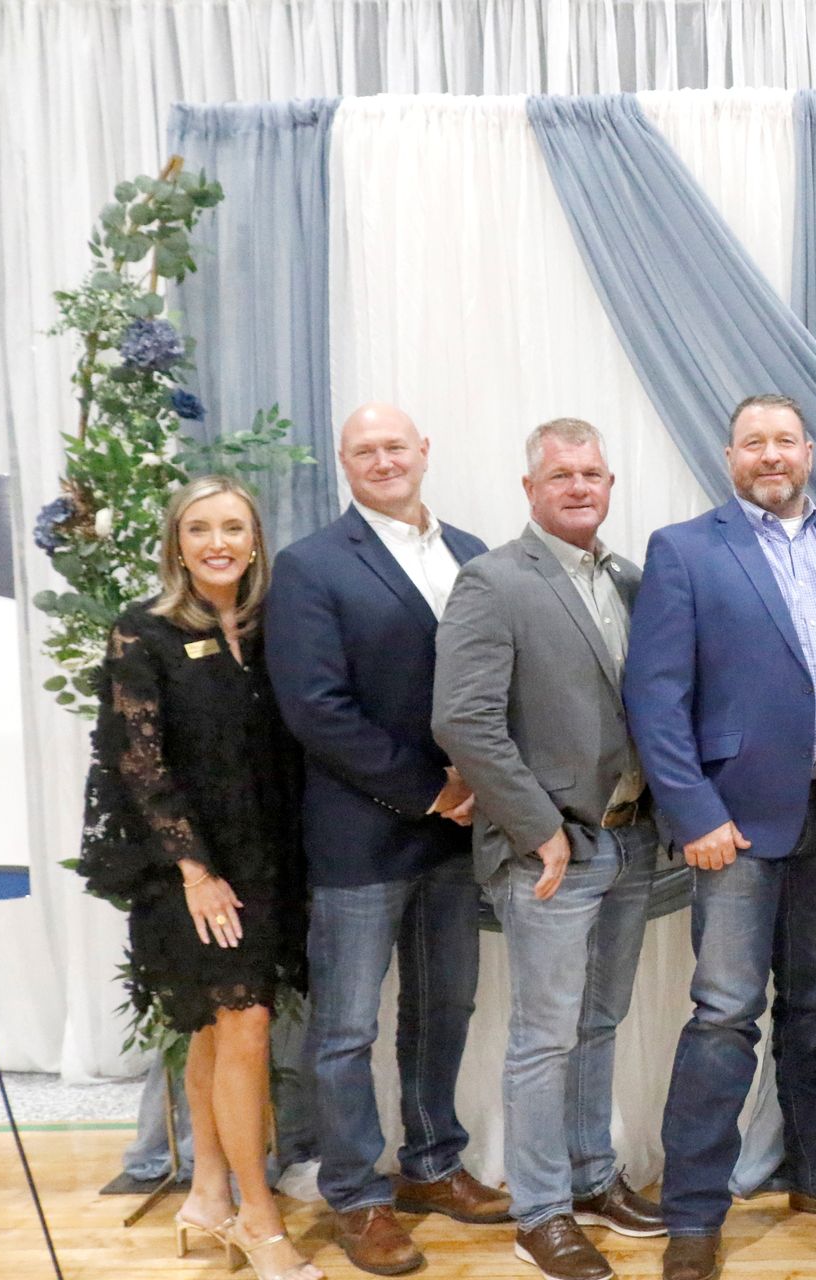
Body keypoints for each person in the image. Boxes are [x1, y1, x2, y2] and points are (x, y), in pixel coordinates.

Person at [625, 393, 816, 1280]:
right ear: (730, 456)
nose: (770, 455)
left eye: (785, 441)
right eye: (753, 443)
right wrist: (695, 813)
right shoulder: (686, 550)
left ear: (809, 452)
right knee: (725, 1012)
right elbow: (655, 697)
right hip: (733, 826)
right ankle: (694, 1211)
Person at [265, 402, 506, 1275]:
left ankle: (433, 1165)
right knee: (345, 1030)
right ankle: (356, 1196)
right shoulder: (310, 565)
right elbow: (315, 709)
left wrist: (486, 788)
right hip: (361, 836)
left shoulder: (472, 552)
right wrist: (432, 790)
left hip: (458, 836)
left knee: (445, 1009)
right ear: (344, 462)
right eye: (364, 450)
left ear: (424, 450)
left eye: (395, 445)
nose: (382, 460)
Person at [432, 418, 665, 1280]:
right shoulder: (493, 581)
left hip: (632, 840)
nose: (578, 487)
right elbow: (463, 719)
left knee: (599, 1022)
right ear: (530, 488)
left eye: (591, 474)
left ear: (609, 486)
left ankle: (592, 1176)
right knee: (544, 1036)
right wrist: (537, 829)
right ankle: (540, 1213)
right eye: (561, 474)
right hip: (551, 851)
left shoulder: (632, 581)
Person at [76, 475, 317, 1280]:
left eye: (234, 528)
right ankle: (259, 1218)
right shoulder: (142, 630)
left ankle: (208, 1193)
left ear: (256, 541)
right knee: (245, 1026)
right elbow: (139, 764)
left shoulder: (271, 627)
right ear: (176, 545)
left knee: (221, 1030)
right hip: (190, 872)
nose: (219, 543)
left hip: (266, 858)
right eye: (200, 529)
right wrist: (194, 870)